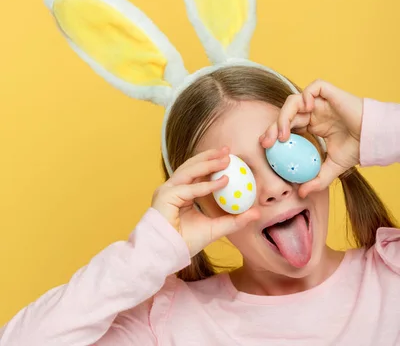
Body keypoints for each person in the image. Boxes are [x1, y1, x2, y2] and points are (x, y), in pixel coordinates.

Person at [1, 72, 399, 345]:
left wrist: (375, 129)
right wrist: (151, 249)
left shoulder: (391, 273)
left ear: (322, 146)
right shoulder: (171, 322)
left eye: (284, 149)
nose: (275, 188)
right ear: (203, 206)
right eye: (237, 178)